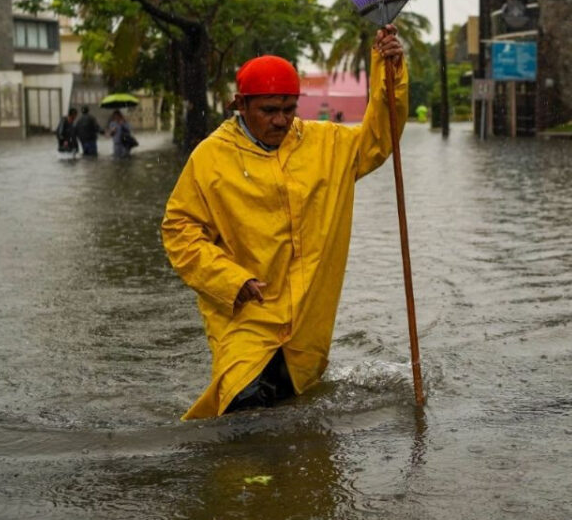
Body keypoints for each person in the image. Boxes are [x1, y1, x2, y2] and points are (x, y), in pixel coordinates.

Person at [161, 25, 408, 419]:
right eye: (268, 110)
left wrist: (389, 70)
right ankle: (250, 481)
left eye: (289, 109)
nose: (281, 120)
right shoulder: (210, 158)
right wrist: (230, 280)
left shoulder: (327, 144)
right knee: (239, 404)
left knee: (289, 411)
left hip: (309, 318)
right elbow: (179, 229)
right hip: (246, 313)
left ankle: (282, 480)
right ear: (240, 105)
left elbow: (380, 138)